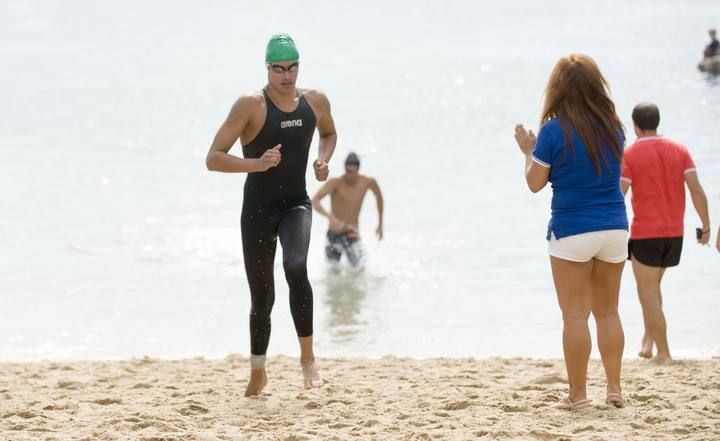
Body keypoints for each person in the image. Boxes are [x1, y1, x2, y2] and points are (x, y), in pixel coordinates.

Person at [205, 33, 337, 396]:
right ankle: (258, 370)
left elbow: (329, 133)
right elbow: (213, 158)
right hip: (258, 210)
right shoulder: (251, 105)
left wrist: (323, 160)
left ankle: (307, 359)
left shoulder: (316, 101)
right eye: (278, 68)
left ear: (299, 66)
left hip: (296, 203)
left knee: (296, 266)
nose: (286, 75)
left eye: (292, 67)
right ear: (267, 68)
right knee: (262, 297)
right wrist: (257, 164)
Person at [514, 54, 628, 410]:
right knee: (608, 312)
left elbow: (535, 184)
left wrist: (528, 152)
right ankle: (614, 389)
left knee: (575, 315)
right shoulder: (615, 128)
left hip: (572, 230)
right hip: (614, 226)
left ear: (557, 88)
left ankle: (578, 396)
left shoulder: (551, 132)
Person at [620, 103, 711, 364]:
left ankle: (664, 353)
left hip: (646, 234)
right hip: (674, 234)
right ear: (657, 122)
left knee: (646, 293)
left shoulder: (630, 153)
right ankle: (649, 341)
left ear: (635, 125)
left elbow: (620, 194)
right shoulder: (680, 149)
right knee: (653, 287)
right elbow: (696, 189)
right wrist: (705, 226)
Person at [311, 152, 384, 268]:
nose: (349, 175)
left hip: (352, 231)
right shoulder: (335, 182)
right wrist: (330, 217)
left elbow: (379, 197)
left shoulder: (367, 182)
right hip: (334, 233)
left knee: (360, 268)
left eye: (352, 172)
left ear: (358, 170)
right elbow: (314, 201)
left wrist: (380, 224)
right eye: (347, 171)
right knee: (333, 272)